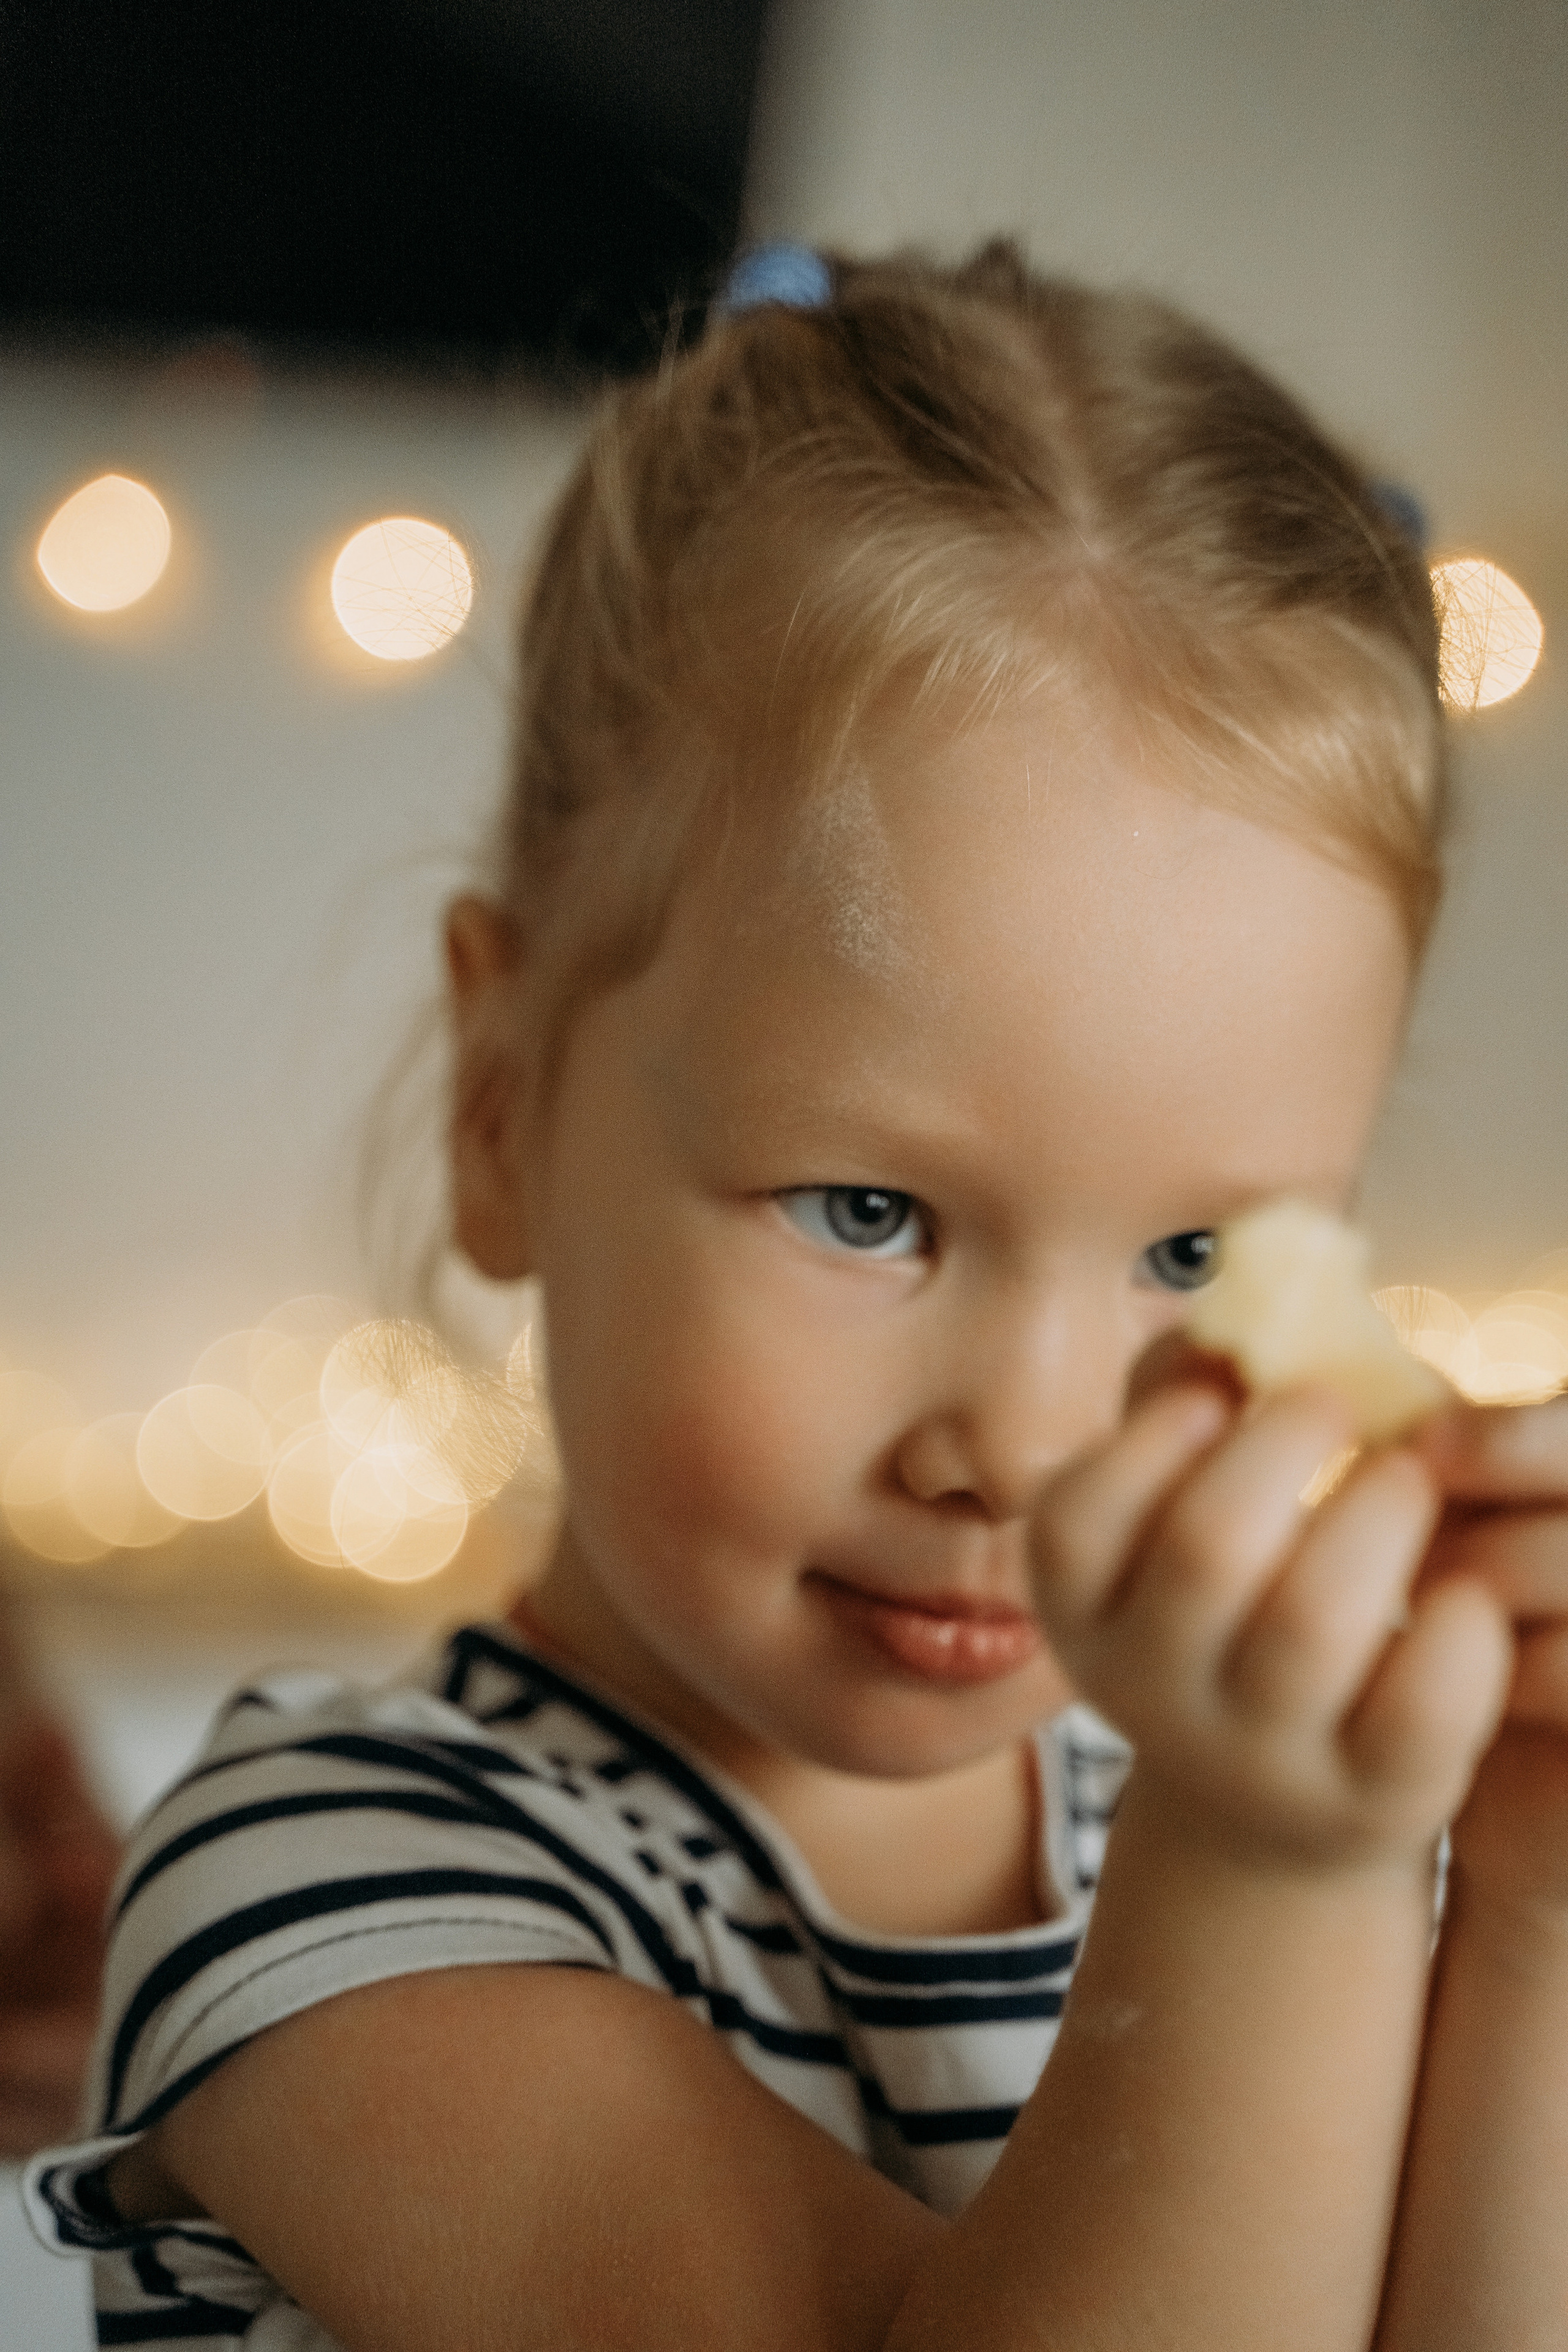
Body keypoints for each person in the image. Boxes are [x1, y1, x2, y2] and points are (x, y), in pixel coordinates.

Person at [20, 240, 1568, 2350]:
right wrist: (1273, 1874)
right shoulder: (331, 1892)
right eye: (865, 1209)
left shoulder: (1262, 1822)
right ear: (500, 1109)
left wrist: (1538, 1915)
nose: (1021, 1440)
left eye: (1193, 1253)